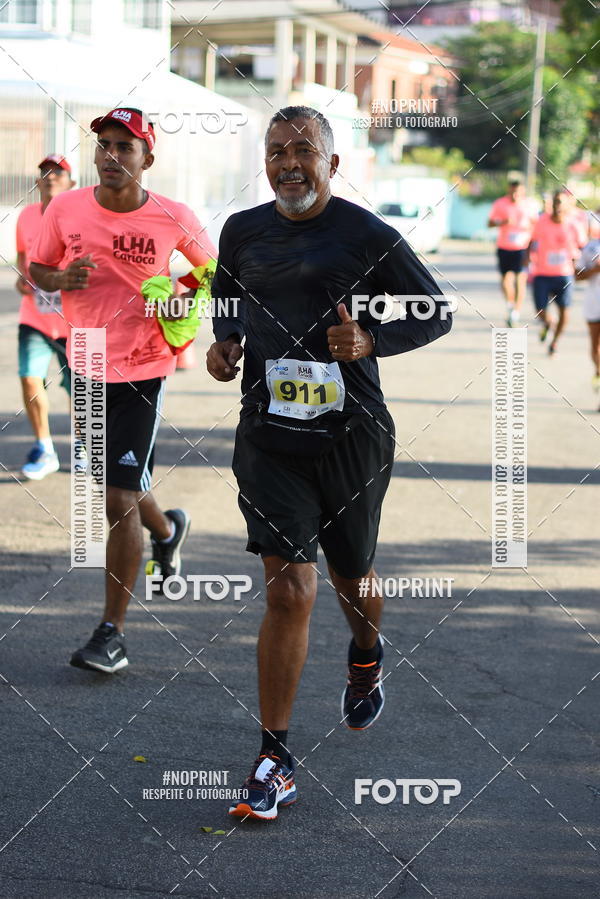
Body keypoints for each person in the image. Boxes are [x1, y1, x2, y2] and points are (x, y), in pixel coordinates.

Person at [206, 106, 452, 821]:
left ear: (332, 163)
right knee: (290, 589)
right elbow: (227, 298)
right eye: (276, 150)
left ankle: (366, 650)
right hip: (269, 435)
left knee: (351, 574)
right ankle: (274, 759)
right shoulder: (241, 230)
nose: (289, 162)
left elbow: (434, 311)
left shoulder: (367, 234)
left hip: (352, 436)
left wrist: (371, 340)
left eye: (303, 150)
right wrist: (224, 343)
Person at [29, 108, 216, 673]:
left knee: (116, 498)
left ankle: (112, 633)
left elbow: (213, 270)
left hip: (143, 365)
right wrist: (61, 279)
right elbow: (39, 268)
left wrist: (181, 295)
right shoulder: (65, 208)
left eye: (125, 147)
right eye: (104, 145)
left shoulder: (173, 215)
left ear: (147, 158)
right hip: (85, 362)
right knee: (117, 485)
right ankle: (168, 528)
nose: (111, 155)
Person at [16, 155, 75, 480]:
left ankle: (82, 447)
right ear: (38, 182)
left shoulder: (80, 216)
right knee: (29, 378)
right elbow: (23, 259)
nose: (50, 177)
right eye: (45, 173)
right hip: (34, 317)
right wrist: (20, 280)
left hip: (74, 320)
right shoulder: (26, 216)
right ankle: (44, 449)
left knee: (79, 389)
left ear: (71, 183)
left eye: (58, 173)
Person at [528, 190, 581, 355]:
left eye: (561, 202)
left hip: (564, 274)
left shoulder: (573, 224)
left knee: (565, 310)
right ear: (552, 203)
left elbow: (582, 246)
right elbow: (532, 240)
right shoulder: (542, 221)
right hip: (542, 273)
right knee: (540, 311)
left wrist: (578, 264)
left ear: (567, 205)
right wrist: (527, 257)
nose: (558, 205)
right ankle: (548, 322)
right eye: (556, 201)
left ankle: (555, 342)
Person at [488, 178, 539, 326]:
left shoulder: (529, 205)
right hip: (504, 246)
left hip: (523, 247)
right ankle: (510, 305)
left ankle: (515, 313)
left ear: (523, 191)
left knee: (520, 279)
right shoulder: (500, 203)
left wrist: (533, 247)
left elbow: (537, 225)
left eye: (517, 192)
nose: (514, 195)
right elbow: (490, 223)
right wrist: (503, 222)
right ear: (508, 190)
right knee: (505, 279)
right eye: (512, 192)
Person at [575, 236, 600, 401]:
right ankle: (598, 371)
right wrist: (595, 270)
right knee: (595, 346)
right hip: (594, 303)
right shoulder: (590, 247)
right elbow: (577, 275)